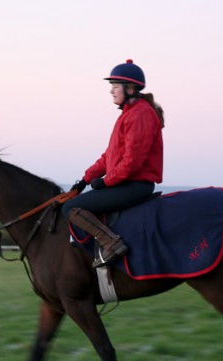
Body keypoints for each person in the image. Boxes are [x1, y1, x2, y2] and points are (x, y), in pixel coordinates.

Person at [63, 59, 165, 267]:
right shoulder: (128, 115)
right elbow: (109, 156)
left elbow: (132, 162)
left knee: (72, 208)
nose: (111, 91)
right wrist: (86, 179)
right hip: (125, 182)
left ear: (130, 89)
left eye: (115, 86)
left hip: (135, 185)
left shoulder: (140, 115)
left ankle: (111, 243)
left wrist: (107, 182)